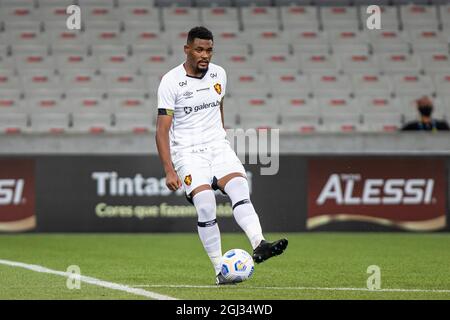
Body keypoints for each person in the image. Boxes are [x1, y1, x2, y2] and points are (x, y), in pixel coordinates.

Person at [155, 26, 288, 285]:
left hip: (217, 145)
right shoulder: (171, 81)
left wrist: (222, 137)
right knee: (205, 203)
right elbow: (161, 131)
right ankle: (220, 270)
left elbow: (218, 107)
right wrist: (169, 169)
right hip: (188, 152)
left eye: (209, 50)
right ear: (187, 50)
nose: (205, 55)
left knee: (239, 186)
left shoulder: (219, 74)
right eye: (199, 49)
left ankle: (259, 243)